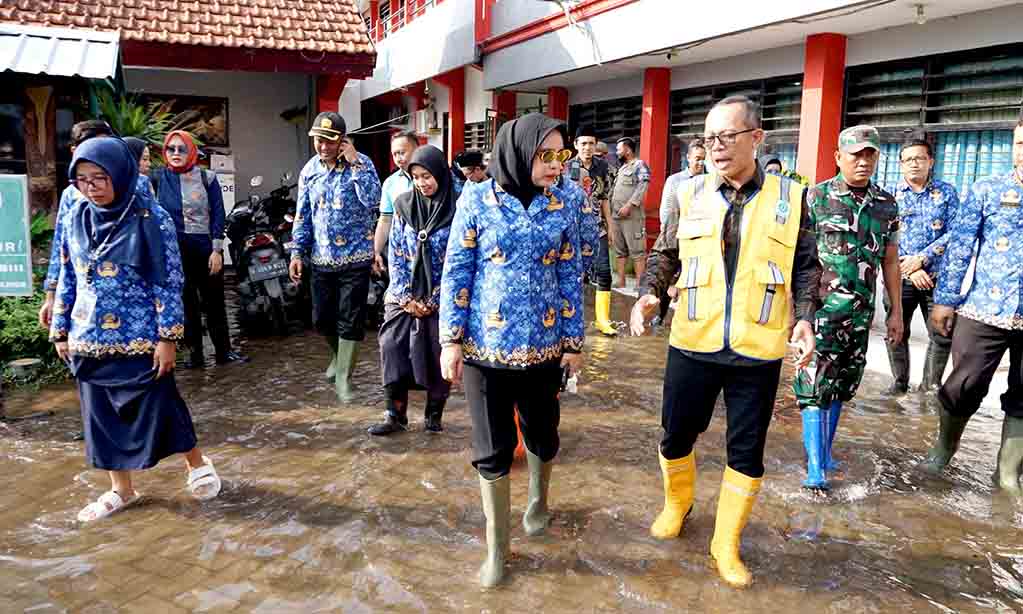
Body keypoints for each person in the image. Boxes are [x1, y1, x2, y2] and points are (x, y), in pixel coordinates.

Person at [630, 95, 819, 588]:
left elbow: (806, 266)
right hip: (694, 337)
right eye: (709, 138)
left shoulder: (791, 197)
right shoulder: (690, 192)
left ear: (756, 138)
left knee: (746, 450)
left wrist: (804, 318)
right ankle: (677, 504)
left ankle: (725, 543)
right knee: (676, 433)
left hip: (757, 346)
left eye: (726, 136)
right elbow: (665, 253)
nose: (715, 146)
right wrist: (650, 294)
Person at [439, 113, 586, 587]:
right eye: (546, 155)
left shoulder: (563, 202)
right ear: (520, 154)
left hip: (544, 347)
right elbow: (457, 272)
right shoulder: (476, 199)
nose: (556, 164)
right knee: (492, 447)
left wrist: (574, 341)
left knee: (543, 433)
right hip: (485, 349)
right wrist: (450, 340)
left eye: (561, 154)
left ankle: (538, 506)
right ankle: (497, 550)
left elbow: (570, 273)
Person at [49, 137, 222, 522]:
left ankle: (196, 462)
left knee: (162, 404)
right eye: (82, 179)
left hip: (140, 335)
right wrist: (61, 329)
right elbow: (68, 274)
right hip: (88, 336)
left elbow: (168, 280)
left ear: (120, 174)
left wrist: (167, 337)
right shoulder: (76, 214)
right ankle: (121, 490)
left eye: (100, 178)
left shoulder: (150, 216)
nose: (91, 187)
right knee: (101, 416)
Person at [793, 125, 903, 490]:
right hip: (820, 313)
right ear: (838, 157)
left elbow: (890, 260)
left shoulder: (886, 204)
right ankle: (815, 468)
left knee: (842, 384)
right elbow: (799, 257)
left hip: (859, 313)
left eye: (870, 154)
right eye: (856, 155)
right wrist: (796, 311)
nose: (863, 161)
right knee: (813, 383)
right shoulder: (815, 198)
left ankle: (825, 454)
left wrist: (896, 311)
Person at [922, 119, 1023, 495]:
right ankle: (944, 448)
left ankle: (1008, 474)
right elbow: (961, 245)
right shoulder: (987, 188)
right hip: (984, 308)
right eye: (1020, 143)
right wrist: (945, 300)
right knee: (962, 385)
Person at [289, 112, 382, 403]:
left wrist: (355, 164)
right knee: (321, 319)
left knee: (350, 319)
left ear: (342, 140)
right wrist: (297, 252)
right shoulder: (309, 170)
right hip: (322, 258)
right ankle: (339, 358)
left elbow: (374, 200)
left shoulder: (362, 163)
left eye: (329, 141)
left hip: (356, 257)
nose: (323, 146)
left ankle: (343, 377)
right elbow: (303, 215)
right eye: (319, 140)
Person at [369, 145, 456, 436]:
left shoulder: (457, 208)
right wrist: (407, 298)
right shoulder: (404, 204)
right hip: (403, 294)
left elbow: (458, 261)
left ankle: (434, 415)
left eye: (427, 176)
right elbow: (395, 252)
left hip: (443, 296)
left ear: (440, 174)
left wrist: (434, 299)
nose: (421, 183)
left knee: (437, 349)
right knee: (391, 345)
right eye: (416, 177)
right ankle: (395, 415)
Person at [153, 131, 246, 369]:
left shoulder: (207, 177)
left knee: (214, 301)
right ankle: (195, 355)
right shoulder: (158, 178)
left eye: (181, 149)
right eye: (171, 149)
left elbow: (218, 214)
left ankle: (224, 352)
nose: (175, 153)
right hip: (174, 253)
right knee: (187, 303)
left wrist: (217, 250)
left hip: (206, 250)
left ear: (192, 151)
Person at [884, 139, 958, 394]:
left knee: (941, 332)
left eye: (920, 158)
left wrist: (923, 259)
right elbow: (883, 236)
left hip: (937, 277)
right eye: (908, 159)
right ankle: (899, 382)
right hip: (898, 277)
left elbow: (956, 232)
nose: (914, 163)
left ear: (931, 161)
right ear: (900, 164)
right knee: (896, 330)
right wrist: (911, 268)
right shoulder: (888, 195)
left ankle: (931, 385)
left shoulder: (947, 193)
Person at [39, 120, 114, 330]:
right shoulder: (71, 195)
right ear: (75, 151)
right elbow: (61, 247)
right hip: (84, 291)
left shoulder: (134, 186)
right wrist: (51, 296)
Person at [565, 124, 616, 335]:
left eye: (591, 143)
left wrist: (610, 226)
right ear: (576, 144)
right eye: (584, 143)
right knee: (573, 273)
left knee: (604, 272)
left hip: (597, 227)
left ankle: (603, 320)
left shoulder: (603, 167)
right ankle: (570, 318)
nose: (587, 147)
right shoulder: (566, 167)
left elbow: (604, 198)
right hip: (572, 228)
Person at [650, 138, 707, 326]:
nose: (700, 162)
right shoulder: (675, 180)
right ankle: (661, 314)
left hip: (699, 237)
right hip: (674, 235)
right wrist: (667, 233)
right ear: (688, 158)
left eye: (703, 159)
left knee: (693, 278)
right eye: (697, 158)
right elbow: (666, 209)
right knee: (669, 277)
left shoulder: (709, 182)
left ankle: (691, 319)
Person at [374, 131, 418, 276]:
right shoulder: (390, 183)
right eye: (395, 154)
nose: (398, 158)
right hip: (400, 254)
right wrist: (376, 252)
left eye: (402, 152)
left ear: (416, 150)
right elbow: (385, 220)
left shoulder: (433, 178)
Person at [610, 136, 650, 288]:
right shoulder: (622, 168)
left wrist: (629, 205)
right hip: (616, 216)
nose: (617, 152)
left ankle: (640, 284)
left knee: (638, 251)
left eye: (619, 149)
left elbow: (643, 186)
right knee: (619, 251)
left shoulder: (639, 165)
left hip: (632, 217)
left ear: (627, 150)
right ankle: (621, 281)